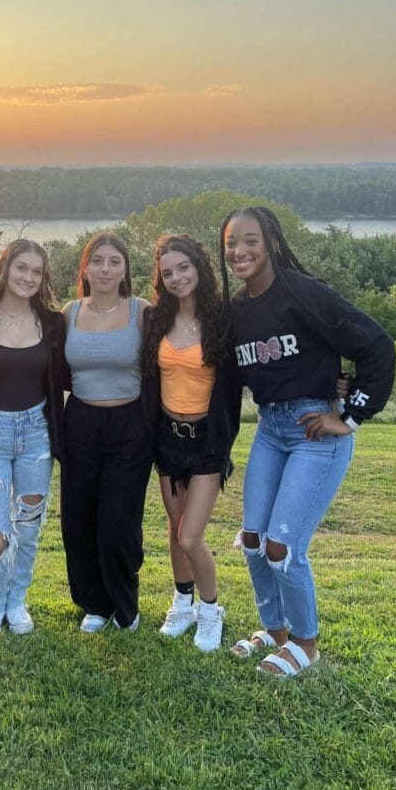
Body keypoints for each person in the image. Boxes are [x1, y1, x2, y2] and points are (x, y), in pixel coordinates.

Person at [219, 206, 395, 678]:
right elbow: (230, 379)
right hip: (271, 429)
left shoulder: (303, 292)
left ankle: (305, 643)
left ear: (272, 243)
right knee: (254, 540)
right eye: (232, 242)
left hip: (315, 431)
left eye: (250, 240)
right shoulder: (235, 309)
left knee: (283, 547)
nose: (239, 251)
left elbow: (376, 345)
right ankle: (274, 632)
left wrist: (351, 415)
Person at [0, 239, 66, 635]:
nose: (28, 277)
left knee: (28, 527)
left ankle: (17, 600)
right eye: (22, 268)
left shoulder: (53, 323)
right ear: (4, 268)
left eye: (37, 271)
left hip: (37, 434)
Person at [142, 234, 242, 652]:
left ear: (200, 267)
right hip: (167, 438)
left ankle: (210, 608)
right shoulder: (155, 320)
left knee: (189, 536)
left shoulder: (223, 321)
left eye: (184, 267)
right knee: (173, 527)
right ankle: (182, 601)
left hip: (206, 441)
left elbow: (256, 369)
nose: (177, 277)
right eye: (168, 272)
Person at [61, 231, 152, 632]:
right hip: (79, 423)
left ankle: (124, 606)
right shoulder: (68, 312)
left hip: (130, 426)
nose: (105, 268)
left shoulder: (142, 312)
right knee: (78, 520)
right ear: (85, 267)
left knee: (119, 524)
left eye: (115, 261)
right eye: (98, 260)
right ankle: (94, 605)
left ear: (125, 270)